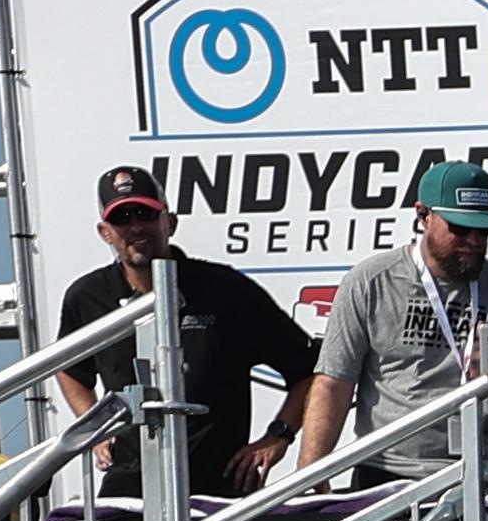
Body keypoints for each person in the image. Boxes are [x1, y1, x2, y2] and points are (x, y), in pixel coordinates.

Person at [52, 165, 313, 497]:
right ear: (105, 232)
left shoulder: (224, 289)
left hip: (218, 491)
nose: (135, 226)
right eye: (122, 218)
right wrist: (95, 427)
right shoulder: (88, 297)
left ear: (169, 222)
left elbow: (309, 370)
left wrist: (279, 435)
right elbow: (67, 367)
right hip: (130, 489)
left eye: (145, 214)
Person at [296, 156, 488, 481]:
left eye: (484, 230)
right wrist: (310, 476)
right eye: (461, 228)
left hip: (483, 472)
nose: (474, 241)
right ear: (423, 215)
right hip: (388, 473)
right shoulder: (372, 281)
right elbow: (334, 382)